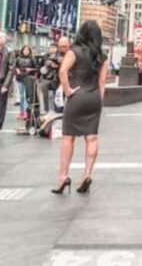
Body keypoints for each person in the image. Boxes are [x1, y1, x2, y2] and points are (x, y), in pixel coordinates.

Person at [52, 21, 109, 195]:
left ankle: (63, 177)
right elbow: (102, 82)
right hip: (93, 98)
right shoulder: (102, 55)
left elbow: (62, 71)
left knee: (68, 138)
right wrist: (98, 100)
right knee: (91, 138)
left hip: (77, 96)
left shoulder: (74, 51)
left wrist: (68, 90)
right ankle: (87, 174)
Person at [15, 45, 37, 121]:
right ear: (22, 51)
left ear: (29, 51)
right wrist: (17, 69)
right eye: (25, 50)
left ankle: (26, 112)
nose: (26, 51)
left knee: (27, 96)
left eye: (27, 50)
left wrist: (30, 69)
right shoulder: (18, 58)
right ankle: (22, 112)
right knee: (21, 96)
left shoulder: (32, 58)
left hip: (29, 79)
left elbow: (37, 68)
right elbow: (14, 66)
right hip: (20, 78)